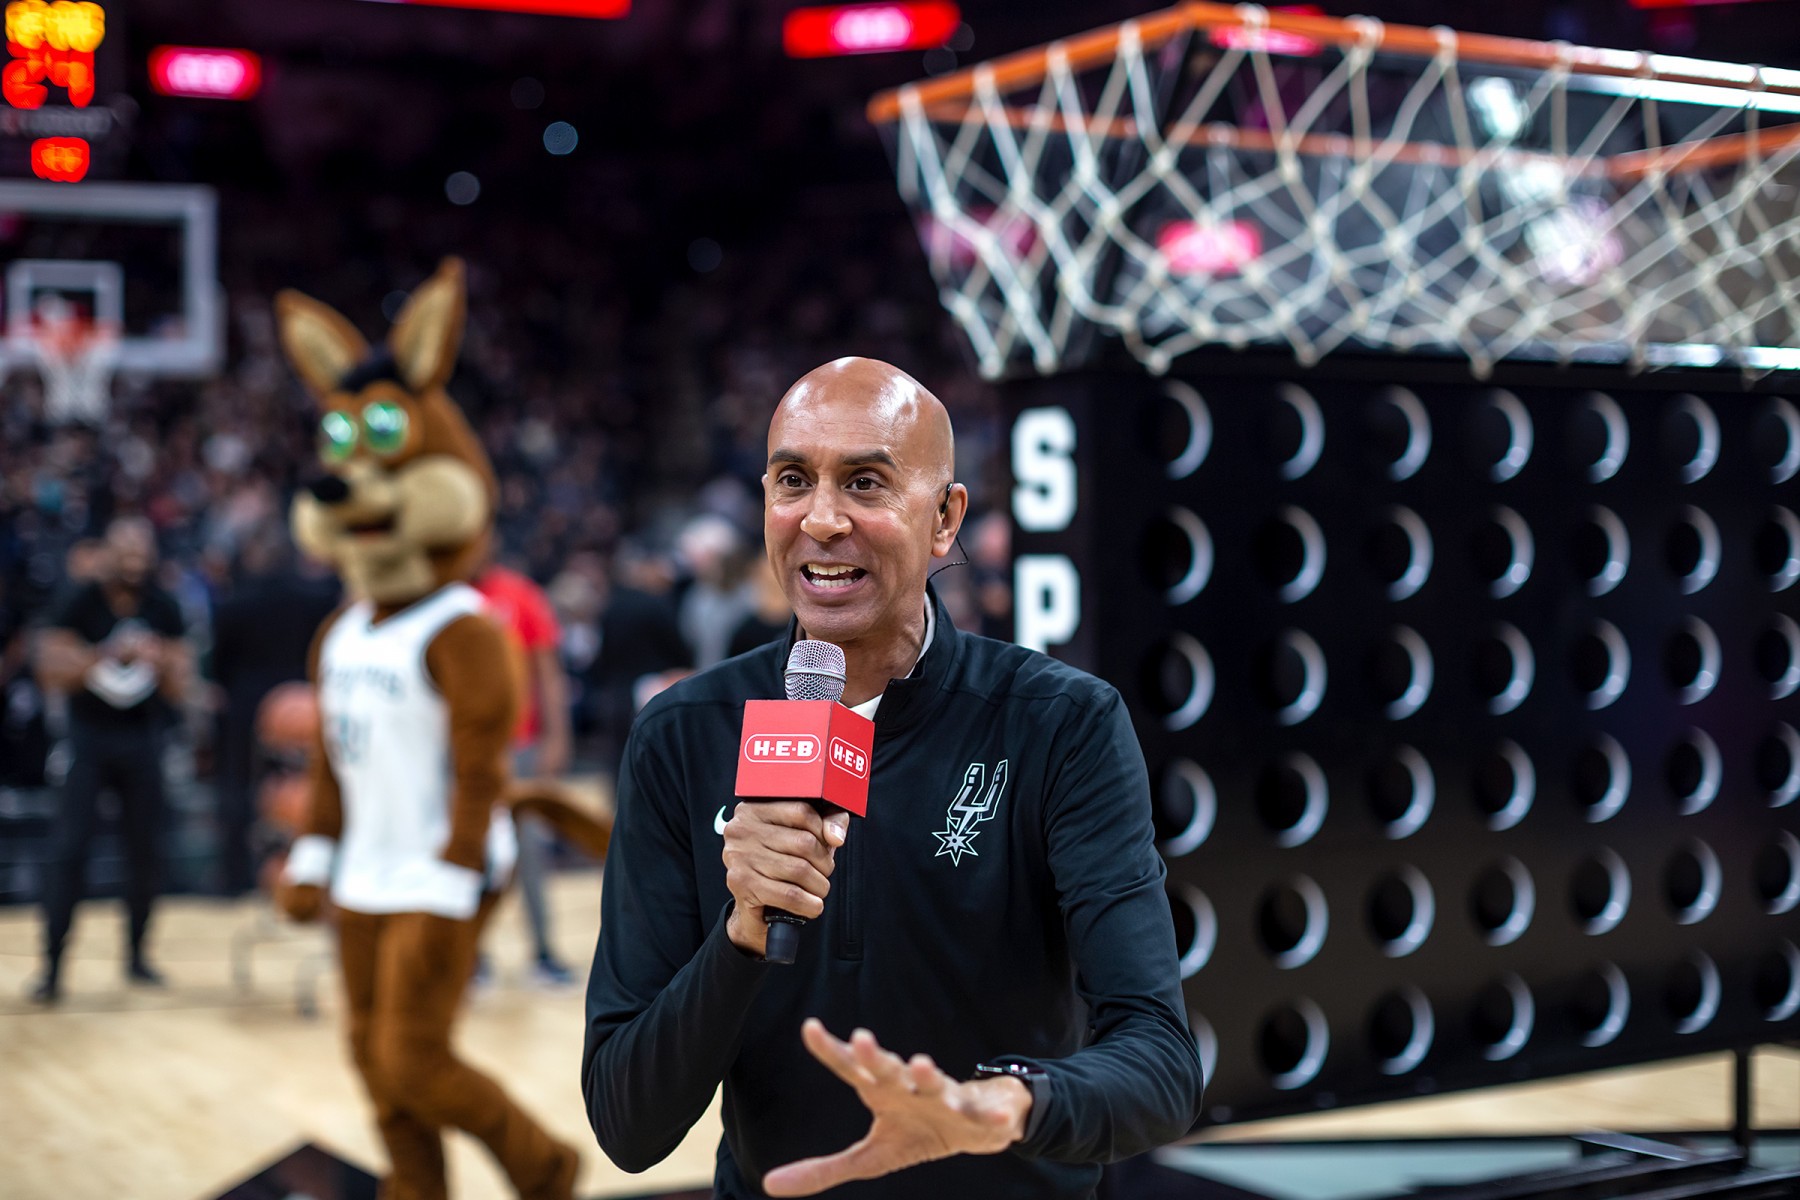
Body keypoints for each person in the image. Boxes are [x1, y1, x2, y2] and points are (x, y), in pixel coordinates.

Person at [582, 358, 1203, 1198]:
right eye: (793, 480)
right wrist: (742, 933)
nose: (821, 519)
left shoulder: (1060, 723)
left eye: (865, 482)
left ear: (945, 519)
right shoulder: (683, 733)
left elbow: (1162, 1066)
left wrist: (1010, 1104)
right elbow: (626, 1123)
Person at [29, 516, 192, 1004]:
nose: (134, 560)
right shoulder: (78, 600)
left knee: (146, 850)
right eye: (126, 551)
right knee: (70, 849)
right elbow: (50, 671)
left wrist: (160, 662)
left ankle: (137, 955)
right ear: (108, 554)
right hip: (89, 739)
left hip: (142, 738)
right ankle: (53, 966)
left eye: (142, 551)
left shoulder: (164, 605)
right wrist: (104, 656)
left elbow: (182, 685)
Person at [472, 551, 579, 986]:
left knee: (530, 853)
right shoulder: (441, 598)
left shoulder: (520, 595)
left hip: (519, 748)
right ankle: (470, 957)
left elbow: (548, 673)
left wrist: (557, 737)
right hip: (462, 752)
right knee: (467, 853)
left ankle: (543, 952)